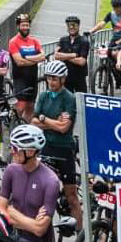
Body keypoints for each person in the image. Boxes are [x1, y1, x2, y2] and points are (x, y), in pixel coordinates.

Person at [33, 61, 80, 221]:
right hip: (46, 148)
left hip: (64, 149)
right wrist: (53, 121)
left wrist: (43, 119)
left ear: (63, 79)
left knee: (71, 196)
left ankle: (81, 236)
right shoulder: (43, 95)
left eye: (55, 79)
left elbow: (63, 128)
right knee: (41, 192)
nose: (51, 82)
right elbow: (33, 122)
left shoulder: (69, 98)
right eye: (49, 78)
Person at [6, 13, 45, 124]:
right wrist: (35, 59)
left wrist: (28, 57)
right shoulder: (13, 41)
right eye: (23, 25)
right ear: (18, 26)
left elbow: (42, 56)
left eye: (27, 25)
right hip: (20, 79)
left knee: (30, 107)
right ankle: (14, 128)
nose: (25, 28)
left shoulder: (34, 41)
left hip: (32, 79)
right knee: (20, 106)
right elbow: (19, 62)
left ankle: (25, 129)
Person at [54, 15, 90, 95]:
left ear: (78, 26)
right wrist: (72, 55)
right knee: (66, 103)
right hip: (65, 77)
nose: (72, 27)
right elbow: (56, 55)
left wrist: (64, 56)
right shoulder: (63, 40)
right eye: (70, 25)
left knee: (80, 102)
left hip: (79, 77)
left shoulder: (84, 41)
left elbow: (81, 61)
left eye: (74, 25)